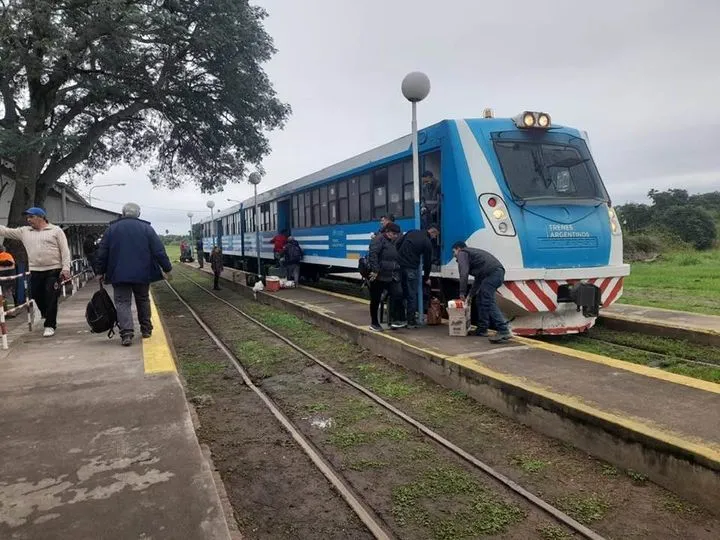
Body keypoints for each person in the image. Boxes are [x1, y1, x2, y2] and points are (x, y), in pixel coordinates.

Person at [94, 203, 172, 346]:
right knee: (143, 299)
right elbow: (159, 251)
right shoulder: (147, 229)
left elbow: (102, 253)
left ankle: (126, 334)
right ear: (139, 214)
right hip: (142, 274)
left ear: (123, 213)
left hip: (119, 274)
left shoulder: (111, 229)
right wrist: (167, 268)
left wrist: (100, 272)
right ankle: (146, 329)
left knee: (122, 302)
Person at [0, 207, 71, 337]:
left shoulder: (56, 231)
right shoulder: (24, 231)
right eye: (27, 218)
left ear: (41, 217)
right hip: (35, 270)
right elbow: (5, 231)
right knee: (36, 295)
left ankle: (50, 325)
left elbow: (65, 251)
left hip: (53, 269)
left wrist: (66, 268)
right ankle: (46, 314)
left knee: (51, 296)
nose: (29, 220)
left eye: (31, 217)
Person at [452, 241, 512, 343]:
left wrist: (462, 292)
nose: (454, 256)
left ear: (458, 249)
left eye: (453, 252)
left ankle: (503, 330)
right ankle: (482, 329)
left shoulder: (462, 253)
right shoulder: (474, 257)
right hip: (495, 273)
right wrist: (470, 295)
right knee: (480, 299)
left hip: (493, 274)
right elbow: (478, 279)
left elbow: (464, 273)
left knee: (487, 301)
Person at [397, 225, 439, 327]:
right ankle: (411, 321)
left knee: (400, 292)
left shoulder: (412, 231)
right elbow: (427, 262)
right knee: (412, 294)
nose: (434, 238)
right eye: (435, 236)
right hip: (411, 268)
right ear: (433, 233)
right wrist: (426, 277)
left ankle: (399, 318)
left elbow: (398, 243)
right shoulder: (427, 242)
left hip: (399, 266)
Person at [367, 222, 404, 331]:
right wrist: (375, 270)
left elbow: (393, 257)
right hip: (378, 275)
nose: (395, 236)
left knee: (397, 294)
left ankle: (393, 320)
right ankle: (374, 323)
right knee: (375, 299)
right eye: (394, 233)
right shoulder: (378, 240)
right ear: (387, 232)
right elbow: (373, 255)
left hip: (390, 274)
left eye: (397, 234)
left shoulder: (391, 242)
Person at [0, 246, 17, 317]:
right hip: (11, 279)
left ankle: (4, 312)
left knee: (3, 295)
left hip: (2, 279)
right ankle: (11, 312)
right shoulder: (9, 255)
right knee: (9, 295)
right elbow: (13, 266)